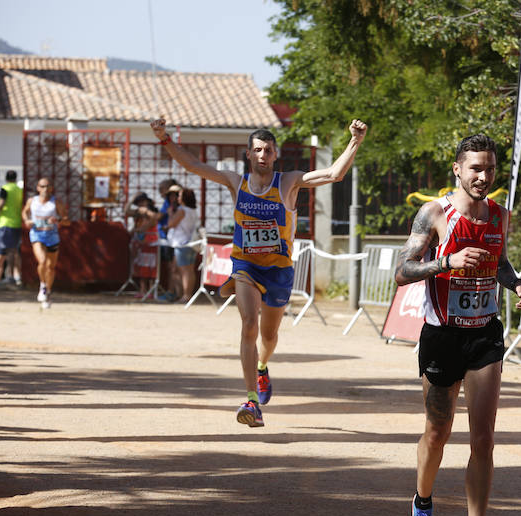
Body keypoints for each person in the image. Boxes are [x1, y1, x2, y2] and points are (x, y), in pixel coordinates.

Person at [150, 116, 367, 427]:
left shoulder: (289, 181)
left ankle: (263, 366)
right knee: (249, 325)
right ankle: (251, 399)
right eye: (258, 150)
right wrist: (164, 138)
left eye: (268, 150)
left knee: (269, 334)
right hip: (245, 266)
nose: (263, 155)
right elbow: (194, 167)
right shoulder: (235, 181)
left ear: (275, 154)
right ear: (248, 154)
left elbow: (334, 173)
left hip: (279, 269)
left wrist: (354, 141)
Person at [395, 134, 521, 516]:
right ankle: (422, 505)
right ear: (457, 168)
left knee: (484, 437)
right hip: (442, 336)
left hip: (484, 336)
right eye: (475, 168)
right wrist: (446, 262)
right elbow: (401, 272)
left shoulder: (500, 215)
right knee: (437, 432)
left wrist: (516, 284)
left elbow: (501, 261)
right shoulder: (435, 213)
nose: (483, 176)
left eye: (490, 169)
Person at [21, 178, 67, 308]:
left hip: (52, 236)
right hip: (37, 235)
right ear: (38, 188)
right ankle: (42, 285)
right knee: (42, 261)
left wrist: (58, 220)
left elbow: (66, 219)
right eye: (42, 186)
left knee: (51, 267)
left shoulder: (56, 202)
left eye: (48, 186)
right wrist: (27, 220)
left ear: (51, 188)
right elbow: (24, 212)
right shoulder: (32, 201)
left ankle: (48, 291)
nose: (45, 189)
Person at [165, 187, 200, 303]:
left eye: (179, 196)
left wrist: (170, 214)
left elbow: (171, 224)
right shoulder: (193, 211)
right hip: (190, 242)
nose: (178, 198)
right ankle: (183, 294)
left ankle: (186, 295)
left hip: (181, 243)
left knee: (185, 271)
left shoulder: (182, 210)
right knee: (186, 269)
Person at [125, 191, 160, 297]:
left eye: (142, 202)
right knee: (142, 268)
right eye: (138, 202)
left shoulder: (152, 212)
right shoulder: (138, 212)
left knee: (151, 268)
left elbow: (155, 218)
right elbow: (126, 211)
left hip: (151, 243)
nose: (140, 204)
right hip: (141, 244)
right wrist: (132, 199)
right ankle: (142, 290)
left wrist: (146, 212)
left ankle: (150, 290)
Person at [0, 170, 24, 285]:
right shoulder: (19, 190)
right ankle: (16, 276)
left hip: (7, 223)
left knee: (10, 251)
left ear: (6, 178)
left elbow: (1, 203)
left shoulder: (5, 189)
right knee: (14, 250)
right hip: (17, 222)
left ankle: (10, 276)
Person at [157, 179, 180, 301]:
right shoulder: (171, 205)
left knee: (174, 267)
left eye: (162, 189)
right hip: (171, 239)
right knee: (172, 267)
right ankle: (175, 292)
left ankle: (173, 291)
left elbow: (167, 221)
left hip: (173, 240)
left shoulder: (177, 208)